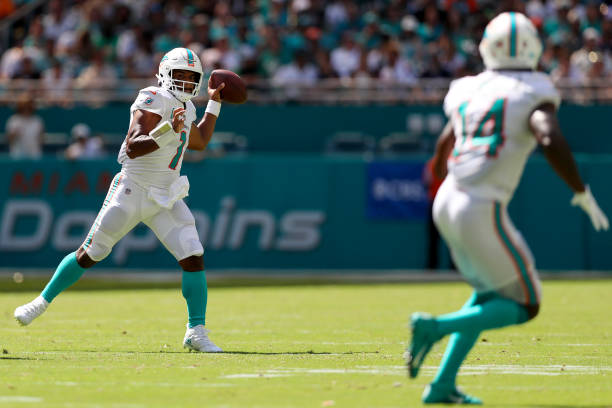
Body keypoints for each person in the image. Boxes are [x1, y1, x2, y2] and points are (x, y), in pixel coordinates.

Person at [406, 12, 609, 404]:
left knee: (487, 292)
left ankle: (443, 385)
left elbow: (443, 144)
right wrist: (580, 189)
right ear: (534, 46)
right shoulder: (534, 87)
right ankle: (435, 328)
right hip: (480, 205)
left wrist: (437, 175)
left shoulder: (469, 88)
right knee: (527, 303)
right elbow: (548, 136)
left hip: (448, 197)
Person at [15, 47, 227, 353]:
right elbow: (133, 146)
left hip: (165, 195)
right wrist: (169, 128)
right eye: (178, 75)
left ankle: (196, 330)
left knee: (193, 254)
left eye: (189, 77)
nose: (183, 82)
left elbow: (200, 141)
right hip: (132, 189)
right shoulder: (153, 97)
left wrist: (215, 104)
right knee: (90, 253)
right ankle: (40, 302)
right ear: (165, 74)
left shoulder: (187, 108)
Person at [5, 93, 44, 159]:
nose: (26, 109)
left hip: (34, 156)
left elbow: (41, 140)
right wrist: (14, 134)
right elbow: (9, 140)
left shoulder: (37, 121)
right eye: (24, 106)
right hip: (17, 156)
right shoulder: (13, 120)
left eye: (29, 106)